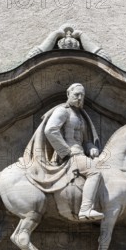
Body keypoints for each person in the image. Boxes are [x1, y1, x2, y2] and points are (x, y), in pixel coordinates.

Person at [43, 83, 104, 220]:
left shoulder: (81, 116)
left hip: (80, 153)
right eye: (76, 95)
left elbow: (85, 140)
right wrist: (66, 151)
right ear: (68, 94)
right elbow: (50, 130)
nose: (79, 98)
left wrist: (91, 148)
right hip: (71, 155)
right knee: (94, 171)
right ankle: (85, 210)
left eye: (82, 96)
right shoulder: (62, 111)